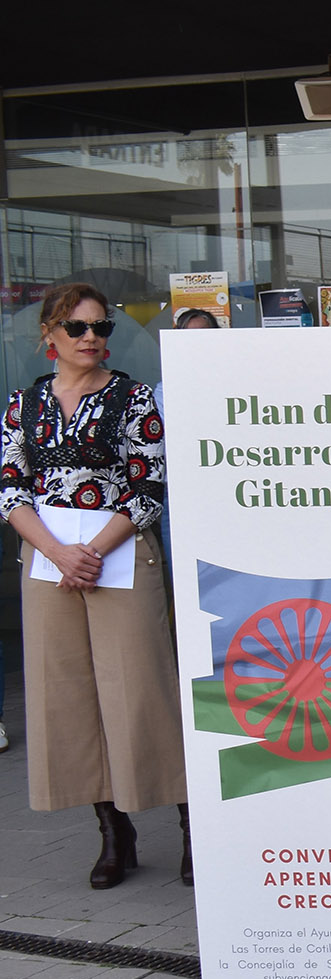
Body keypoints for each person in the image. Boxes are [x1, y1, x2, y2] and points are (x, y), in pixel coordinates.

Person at [0, 284, 190, 887]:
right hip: (48, 562)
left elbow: (150, 483)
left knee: (141, 690)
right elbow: (10, 486)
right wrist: (57, 552)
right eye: (78, 328)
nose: (92, 338)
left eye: (101, 327)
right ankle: (113, 831)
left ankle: (189, 826)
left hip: (122, 554)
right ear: (49, 336)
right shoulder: (22, 405)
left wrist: (93, 551)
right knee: (68, 698)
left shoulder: (133, 398)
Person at [153, 307, 220, 576]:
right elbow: (177, 439)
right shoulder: (164, 389)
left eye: (204, 336)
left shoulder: (234, 382)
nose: (197, 344)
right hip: (179, 495)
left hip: (220, 492)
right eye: (188, 338)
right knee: (185, 576)